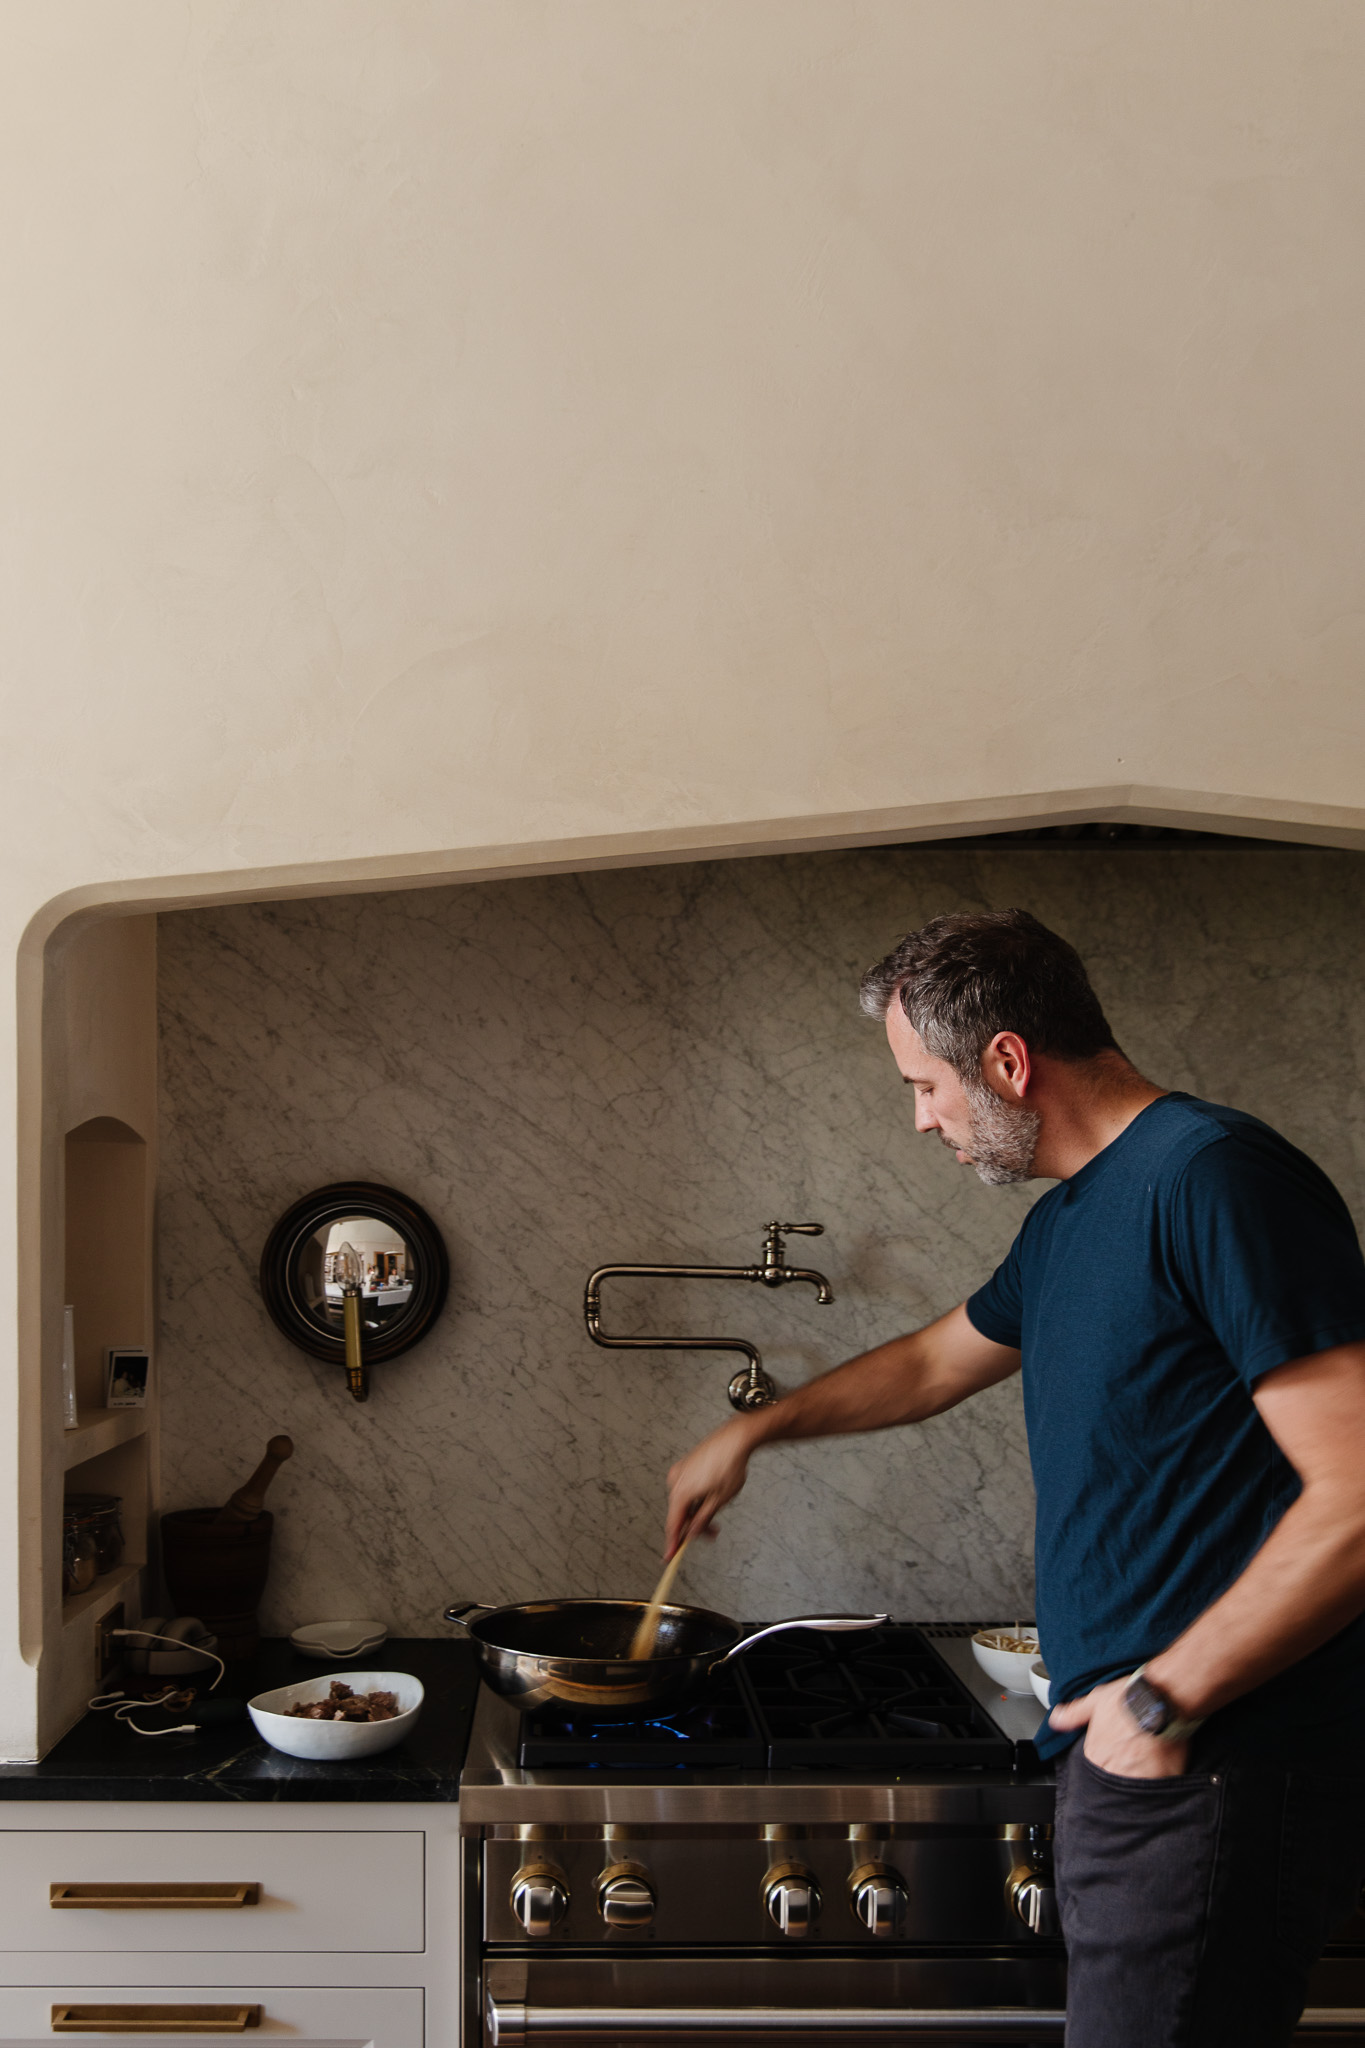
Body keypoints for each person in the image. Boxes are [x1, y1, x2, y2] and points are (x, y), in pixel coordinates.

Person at [663, 909, 1365, 2048]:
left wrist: (1159, 1701)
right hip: (1136, 1761)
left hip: (1213, 1762)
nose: (922, 1116)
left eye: (925, 1083)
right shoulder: (1078, 1216)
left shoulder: (1216, 1178)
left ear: (1006, 1059)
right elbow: (940, 1359)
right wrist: (757, 1430)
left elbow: (1360, 1492)